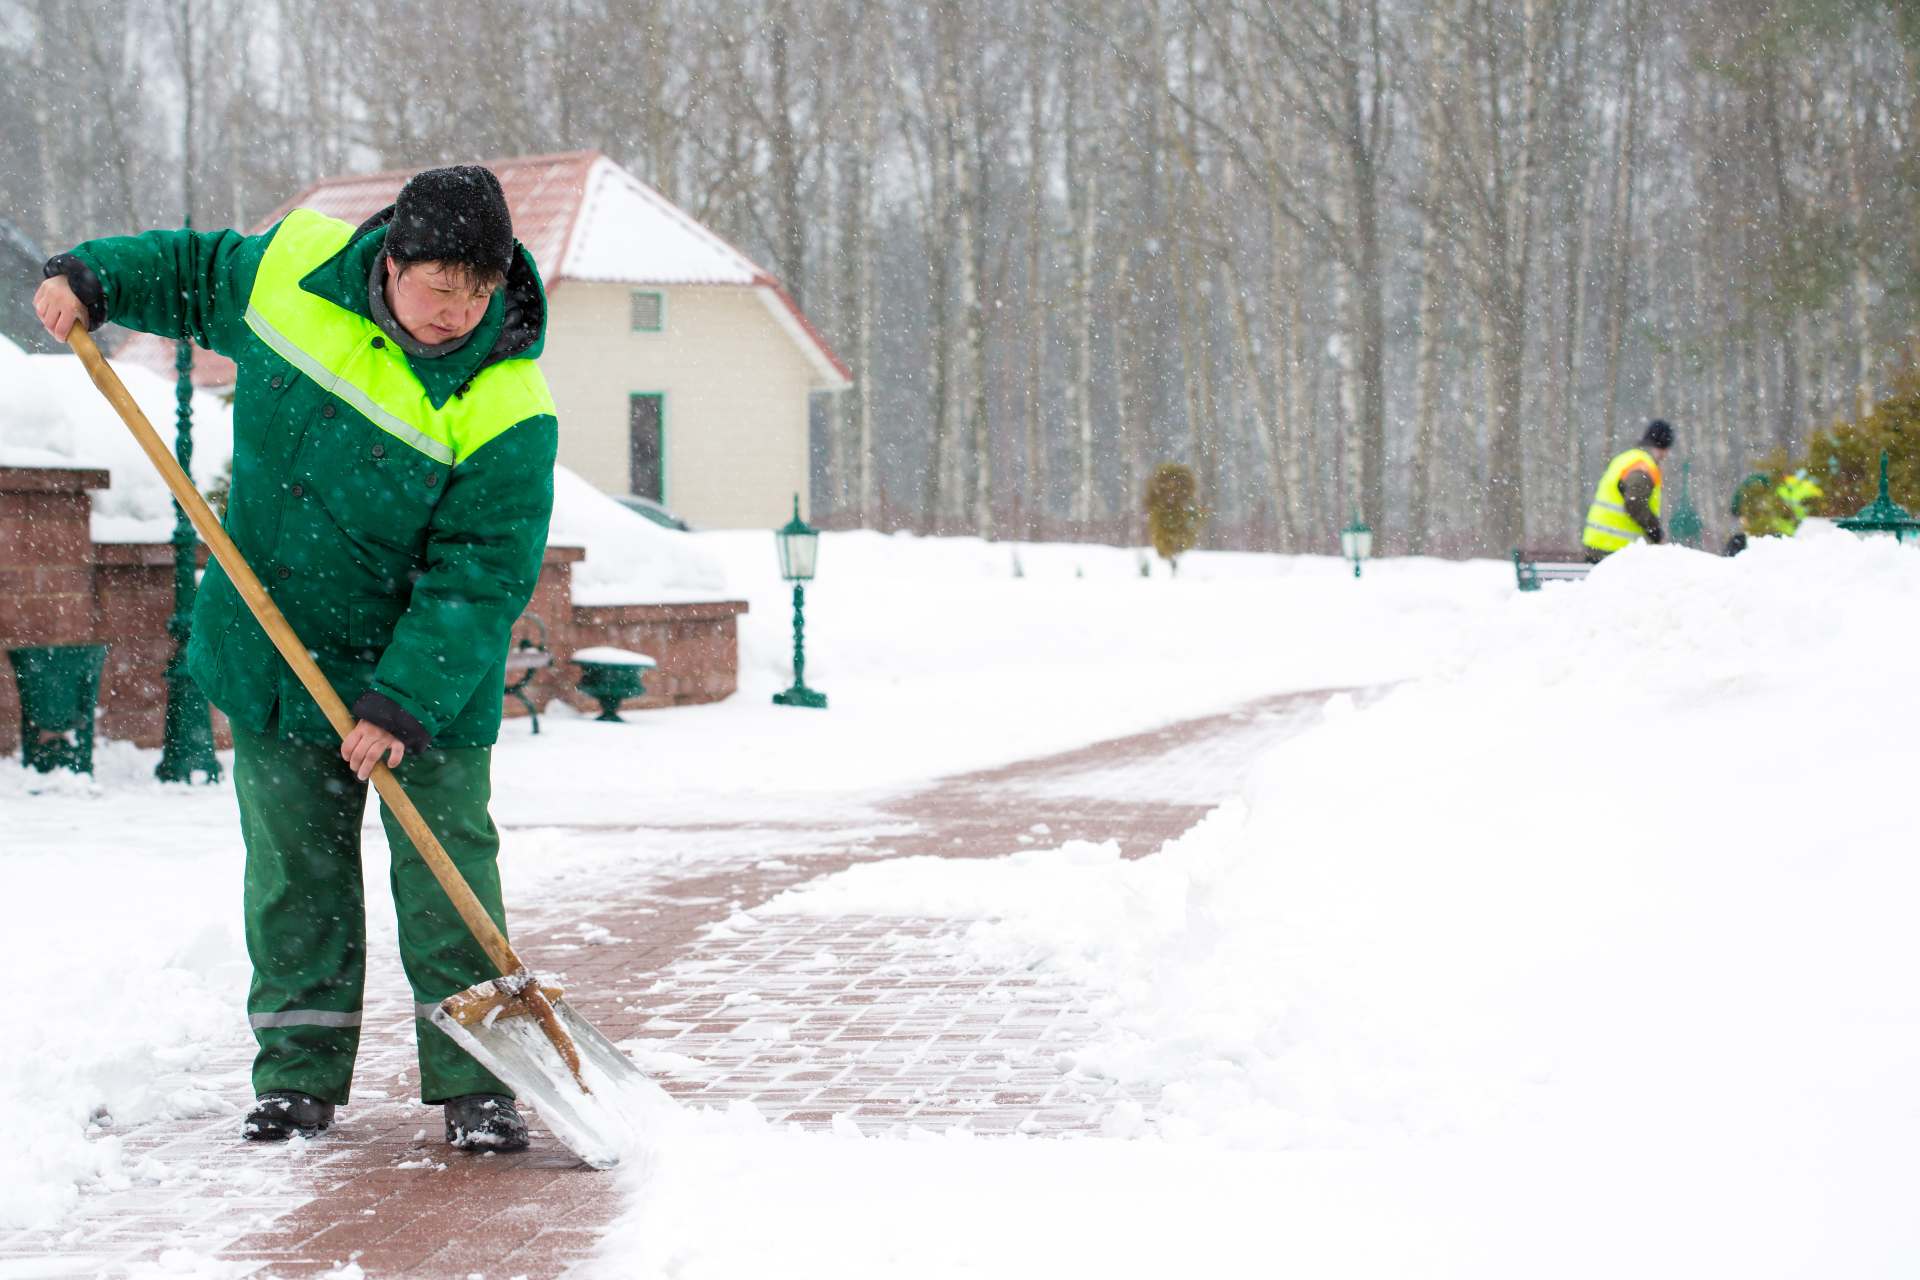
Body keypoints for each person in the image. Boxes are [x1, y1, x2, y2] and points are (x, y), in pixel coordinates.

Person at [34, 166, 559, 1153]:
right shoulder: (297, 267)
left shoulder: (508, 399)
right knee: (294, 873)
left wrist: (401, 702)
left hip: (424, 682)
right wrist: (95, 281)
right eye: (439, 287)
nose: (457, 313)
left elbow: (483, 572)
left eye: (478, 292)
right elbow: (193, 273)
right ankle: (298, 1077)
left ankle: (481, 1084)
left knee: (448, 876)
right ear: (390, 260)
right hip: (276, 648)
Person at [1583, 419, 1674, 562]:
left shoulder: (1625, 458)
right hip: (1615, 549)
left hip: (1598, 543)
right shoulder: (1643, 466)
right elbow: (1634, 503)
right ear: (1663, 447)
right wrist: (1656, 533)